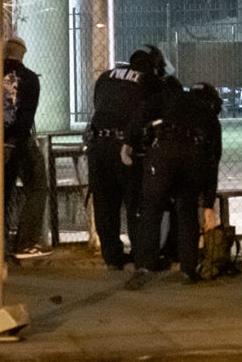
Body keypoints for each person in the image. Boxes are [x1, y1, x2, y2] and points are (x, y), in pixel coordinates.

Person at [125, 82, 223, 289]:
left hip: (163, 151)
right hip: (193, 156)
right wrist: (208, 204)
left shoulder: (171, 97)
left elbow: (142, 110)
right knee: (187, 212)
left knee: (151, 210)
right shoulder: (210, 116)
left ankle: (144, 266)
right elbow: (213, 162)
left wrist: (128, 142)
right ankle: (188, 270)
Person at [86, 46, 167, 270]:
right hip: (125, 147)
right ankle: (141, 256)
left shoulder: (106, 77)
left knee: (104, 202)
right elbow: (156, 114)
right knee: (135, 202)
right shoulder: (150, 81)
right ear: (153, 66)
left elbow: (98, 104)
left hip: (97, 145)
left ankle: (112, 257)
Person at [0, 36, 52, 260]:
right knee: (37, 186)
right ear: (23, 53)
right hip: (19, 142)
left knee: (0, 193)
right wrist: (13, 141)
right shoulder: (29, 78)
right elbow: (26, 115)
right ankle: (26, 242)